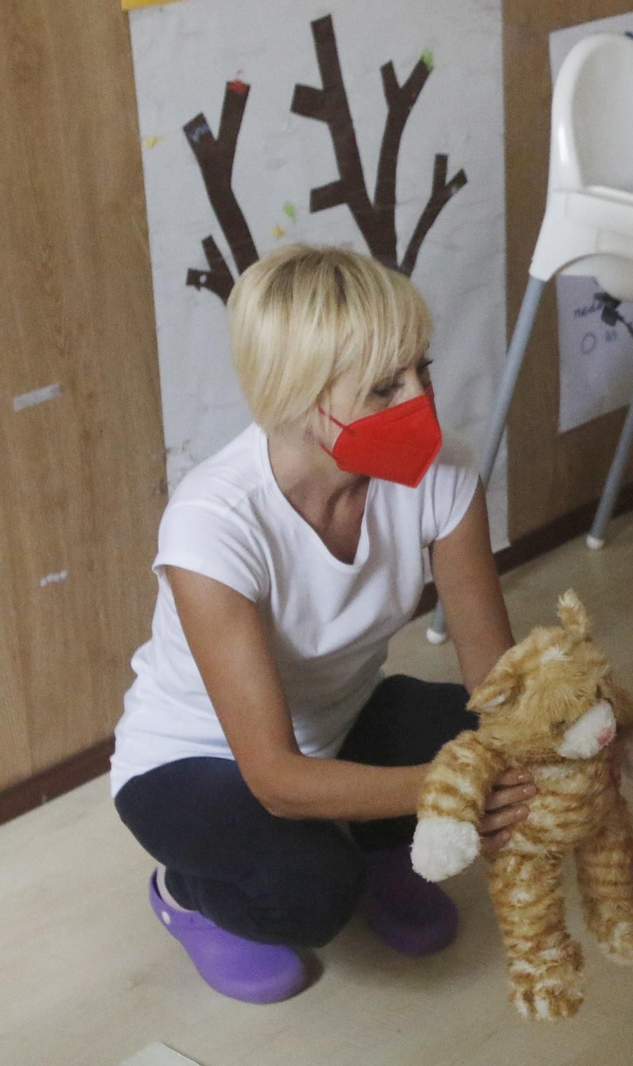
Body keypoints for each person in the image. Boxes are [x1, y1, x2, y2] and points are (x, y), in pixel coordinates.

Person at [111, 245, 530, 1004]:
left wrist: (531, 760)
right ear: (303, 399)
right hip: (194, 761)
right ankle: (187, 894)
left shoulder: (445, 473)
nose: (421, 400)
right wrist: (454, 789)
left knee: (485, 730)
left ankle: (376, 852)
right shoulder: (213, 524)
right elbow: (273, 778)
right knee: (309, 895)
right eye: (384, 386)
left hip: (334, 727)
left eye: (421, 369)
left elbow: (498, 681)